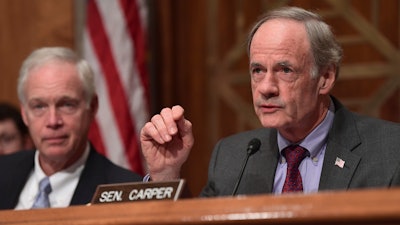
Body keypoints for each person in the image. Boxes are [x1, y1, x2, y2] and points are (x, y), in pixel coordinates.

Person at [140, 6, 400, 197]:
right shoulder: (233, 157)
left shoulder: (390, 150)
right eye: (257, 70)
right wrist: (165, 176)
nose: (266, 87)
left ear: (325, 77)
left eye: (285, 70)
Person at [0, 47, 142, 210]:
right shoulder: (2, 171)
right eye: (39, 107)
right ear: (25, 113)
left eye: (67, 105)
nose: (53, 121)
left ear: (93, 107)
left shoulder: (127, 192)